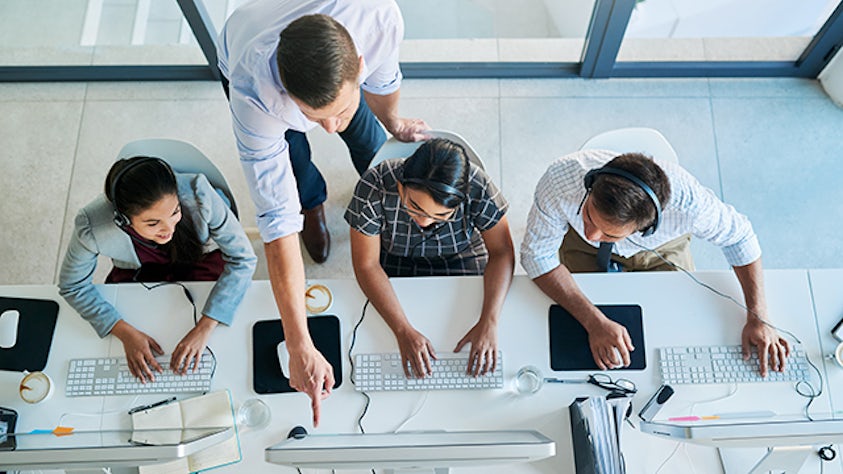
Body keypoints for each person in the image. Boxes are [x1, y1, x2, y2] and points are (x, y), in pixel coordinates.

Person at [217, 0, 428, 425]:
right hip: (244, 42)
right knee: (294, 161)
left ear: (360, 63)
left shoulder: (379, 19)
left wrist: (392, 121)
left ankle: (376, 196)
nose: (329, 128)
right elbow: (276, 224)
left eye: (338, 112)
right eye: (317, 117)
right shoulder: (252, 92)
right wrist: (299, 345)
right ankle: (313, 204)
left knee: (371, 144)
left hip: (336, 49)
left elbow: (384, 80)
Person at [521, 149, 790, 376]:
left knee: (674, 327)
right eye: (590, 215)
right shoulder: (560, 181)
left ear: (646, 227)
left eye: (609, 233)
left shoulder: (690, 206)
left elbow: (740, 237)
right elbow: (537, 256)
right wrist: (594, 321)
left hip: (661, 249)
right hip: (577, 244)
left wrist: (759, 316)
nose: (593, 234)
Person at [59, 156, 257, 383]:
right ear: (123, 220)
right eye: (153, 223)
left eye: (175, 212)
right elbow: (72, 285)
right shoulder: (91, 225)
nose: (168, 229)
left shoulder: (198, 193)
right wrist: (123, 331)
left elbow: (243, 259)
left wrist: (205, 326)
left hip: (200, 259)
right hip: (141, 269)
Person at [345, 138, 514, 378]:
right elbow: (366, 264)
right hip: (396, 258)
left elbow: (502, 251)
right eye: (414, 206)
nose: (424, 221)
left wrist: (490, 321)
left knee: (462, 327)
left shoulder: (478, 186)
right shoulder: (374, 186)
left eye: (441, 215)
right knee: (381, 338)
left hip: (461, 256)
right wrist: (402, 330)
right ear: (401, 185)